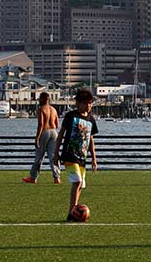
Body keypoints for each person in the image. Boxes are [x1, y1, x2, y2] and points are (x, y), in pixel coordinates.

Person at [52, 89, 98, 221]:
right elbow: (61, 134)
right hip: (69, 154)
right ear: (78, 103)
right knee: (77, 181)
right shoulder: (71, 116)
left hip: (82, 157)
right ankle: (72, 212)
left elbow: (90, 139)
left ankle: (74, 210)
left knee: (81, 185)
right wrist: (56, 154)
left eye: (90, 103)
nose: (89, 106)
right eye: (86, 103)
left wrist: (94, 158)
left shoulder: (91, 119)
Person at [22, 92, 61, 184]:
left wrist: (37, 138)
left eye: (40, 98)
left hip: (45, 132)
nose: (39, 100)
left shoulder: (41, 109)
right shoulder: (53, 109)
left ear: (43, 99)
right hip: (54, 132)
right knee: (52, 156)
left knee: (39, 156)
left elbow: (41, 124)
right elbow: (57, 124)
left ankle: (33, 177)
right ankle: (57, 177)